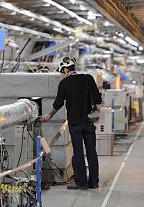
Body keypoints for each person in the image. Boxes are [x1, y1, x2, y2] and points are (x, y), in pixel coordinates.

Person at [40, 57, 102, 190]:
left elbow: (58, 104)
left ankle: (82, 183)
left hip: (75, 124)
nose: (63, 73)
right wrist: (97, 113)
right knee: (92, 152)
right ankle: (94, 182)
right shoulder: (88, 78)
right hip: (89, 121)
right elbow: (98, 98)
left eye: (63, 70)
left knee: (78, 153)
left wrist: (49, 115)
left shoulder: (64, 83)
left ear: (66, 69)